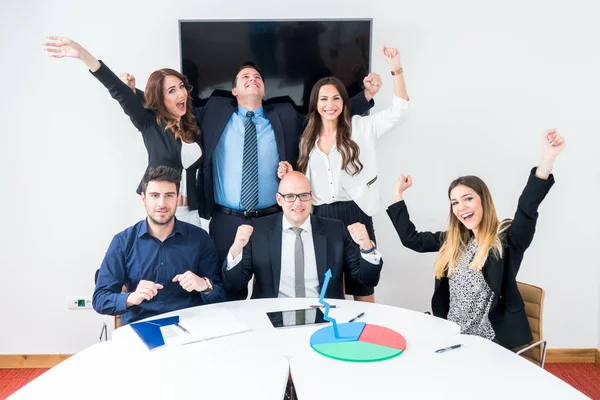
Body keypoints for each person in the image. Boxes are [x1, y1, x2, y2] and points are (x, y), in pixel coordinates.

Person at [386, 129, 565, 349]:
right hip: (452, 336)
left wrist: (547, 160)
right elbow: (411, 239)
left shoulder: (506, 240)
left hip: (489, 343)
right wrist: (397, 195)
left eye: (468, 198)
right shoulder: (453, 241)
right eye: (455, 202)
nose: (461, 208)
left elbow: (527, 208)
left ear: (483, 200)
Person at [278, 45, 409, 303]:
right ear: (315, 103)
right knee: (328, 287)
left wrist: (396, 69)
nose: (330, 104)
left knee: (363, 286)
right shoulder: (306, 139)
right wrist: (291, 172)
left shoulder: (361, 127)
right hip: (322, 216)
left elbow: (400, 112)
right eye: (324, 99)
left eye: (336, 98)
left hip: (356, 211)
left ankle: (366, 337)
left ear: (344, 102)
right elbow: (306, 179)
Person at [42, 36, 207, 229]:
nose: (181, 94)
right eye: (172, 91)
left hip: (193, 213)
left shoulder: (192, 124)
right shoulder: (149, 123)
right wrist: (83, 55)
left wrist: (134, 91)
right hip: (162, 211)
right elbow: (117, 90)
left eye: (181, 87)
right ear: (161, 98)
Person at [93, 166, 224, 324]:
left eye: (169, 195)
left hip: (190, 326)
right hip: (141, 326)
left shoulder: (200, 239)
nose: (162, 204)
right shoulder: (123, 242)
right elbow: (100, 300)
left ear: (177, 198)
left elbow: (220, 297)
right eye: (155, 195)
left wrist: (204, 285)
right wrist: (131, 297)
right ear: (144, 199)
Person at [222, 171, 383, 299]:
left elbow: (367, 279)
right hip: (271, 317)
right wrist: (236, 250)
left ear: (311, 197)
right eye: (290, 196)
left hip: (324, 315)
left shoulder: (334, 230)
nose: (298, 203)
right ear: (279, 199)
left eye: (303, 196)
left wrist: (367, 248)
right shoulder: (258, 231)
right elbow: (235, 285)